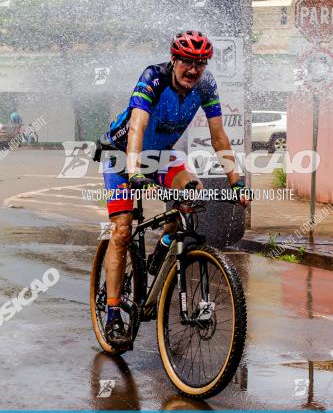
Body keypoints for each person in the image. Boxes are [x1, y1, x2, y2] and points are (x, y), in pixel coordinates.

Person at [98, 31, 249, 350]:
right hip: (121, 154)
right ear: (174, 60)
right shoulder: (153, 78)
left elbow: (218, 135)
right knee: (123, 229)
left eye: (201, 64)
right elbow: (137, 125)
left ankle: (165, 243)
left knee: (193, 191)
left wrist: (235, 180)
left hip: (162, 156)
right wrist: (135, 168)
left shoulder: (206, 86)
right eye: (187, 63)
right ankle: (112, 314)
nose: (193, 70)